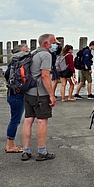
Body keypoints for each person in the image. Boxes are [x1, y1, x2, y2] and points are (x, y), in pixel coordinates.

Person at [21, 33, 59, 162]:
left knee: (28, 120)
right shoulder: (46, 55)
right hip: (40, 93)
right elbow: (45, 76)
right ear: (46, 43)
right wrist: (51, 94)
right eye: (53, 42)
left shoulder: (32, 53)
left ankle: (25, 151)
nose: (56, 45)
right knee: (42, 120)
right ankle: (42, 151)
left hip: (28, 92)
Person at [4, 43, 28, 153]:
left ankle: (10, 144)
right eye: (25, 51)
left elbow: (6, 75)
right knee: (15, 120)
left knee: (14, 119)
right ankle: (10, 145)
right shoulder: (20, 64)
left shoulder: (12, 64)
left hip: (11, 94)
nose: (28, 52)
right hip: (17, 95)